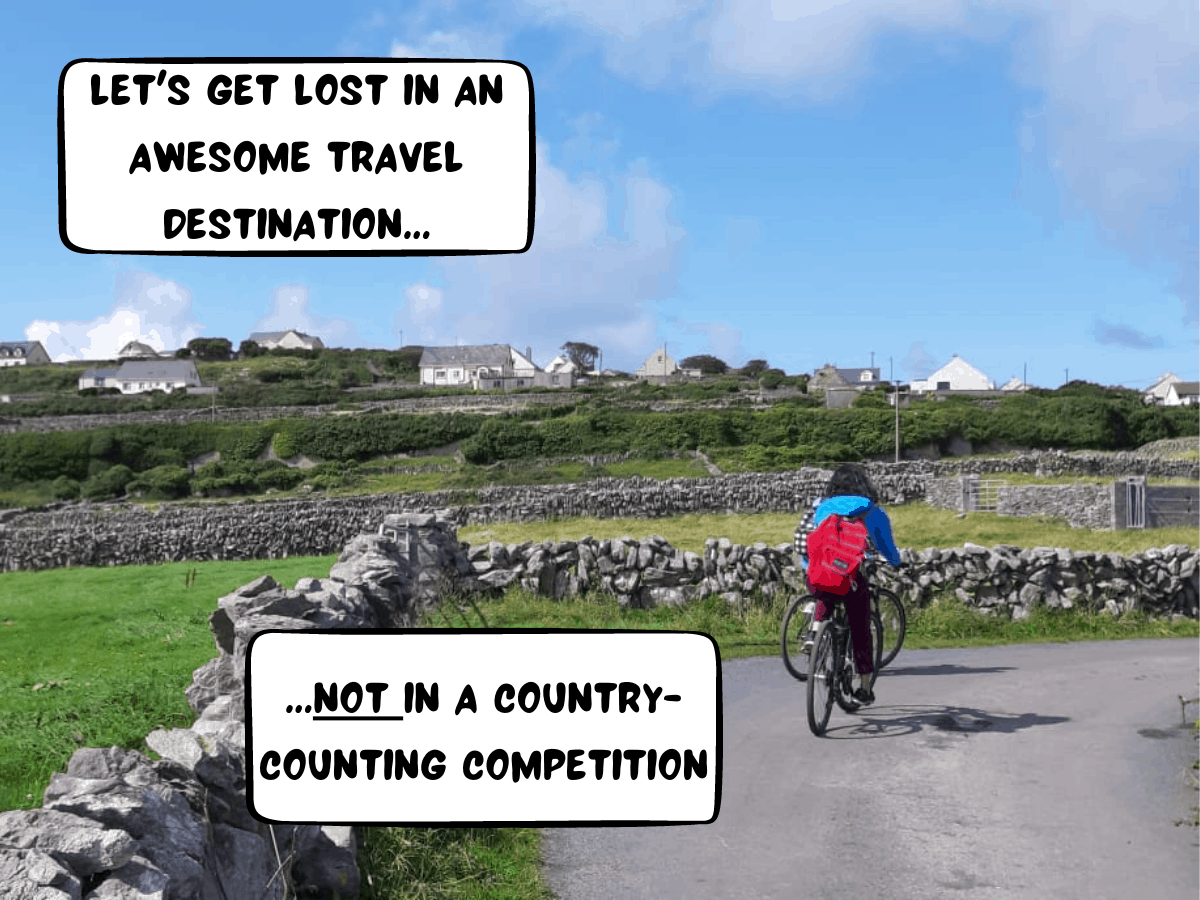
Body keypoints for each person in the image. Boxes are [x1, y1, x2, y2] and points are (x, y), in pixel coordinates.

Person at [793, 463, 902, 705]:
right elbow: (886, 546)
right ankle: (864, 687)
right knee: (861, 627)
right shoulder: (873, 511)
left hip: (818, 574)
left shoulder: (822, 508)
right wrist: (896, 562)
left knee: (825, 594)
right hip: (850, 579)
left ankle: (816, 632)